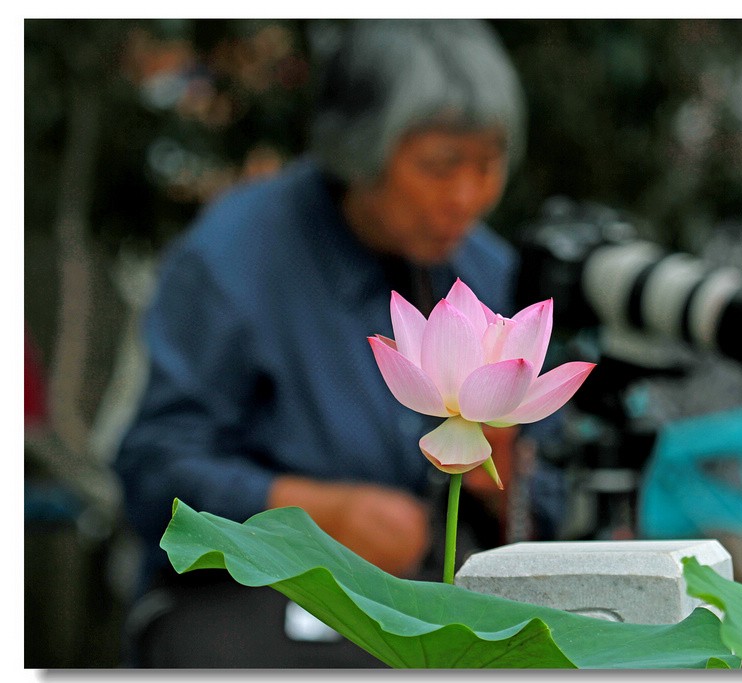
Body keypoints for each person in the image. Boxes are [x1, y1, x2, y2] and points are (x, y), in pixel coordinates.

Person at [114, 19, 552, 667]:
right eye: (439, 166)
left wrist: (509, 482)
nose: (467, 197)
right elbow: (153, 470)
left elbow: (553, 494)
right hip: (251, 606)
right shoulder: (231, 260)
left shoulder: (487, 273)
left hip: (434, 603)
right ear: (359, 150)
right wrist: (311, 511)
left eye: (488, 164)